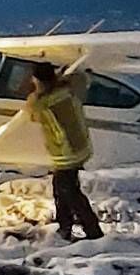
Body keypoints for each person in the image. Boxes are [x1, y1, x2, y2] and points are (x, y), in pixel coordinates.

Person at [27, 62, 103, 241]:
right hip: (80, 146)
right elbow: (80, 79)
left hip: (66, 153)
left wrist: (38, 91)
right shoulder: (68, 91)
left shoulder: (44, 103)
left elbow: (32, 111)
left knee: (70, 192)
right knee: (61, 188)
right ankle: (65, 226)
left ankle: (93, 231)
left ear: (38, 81)